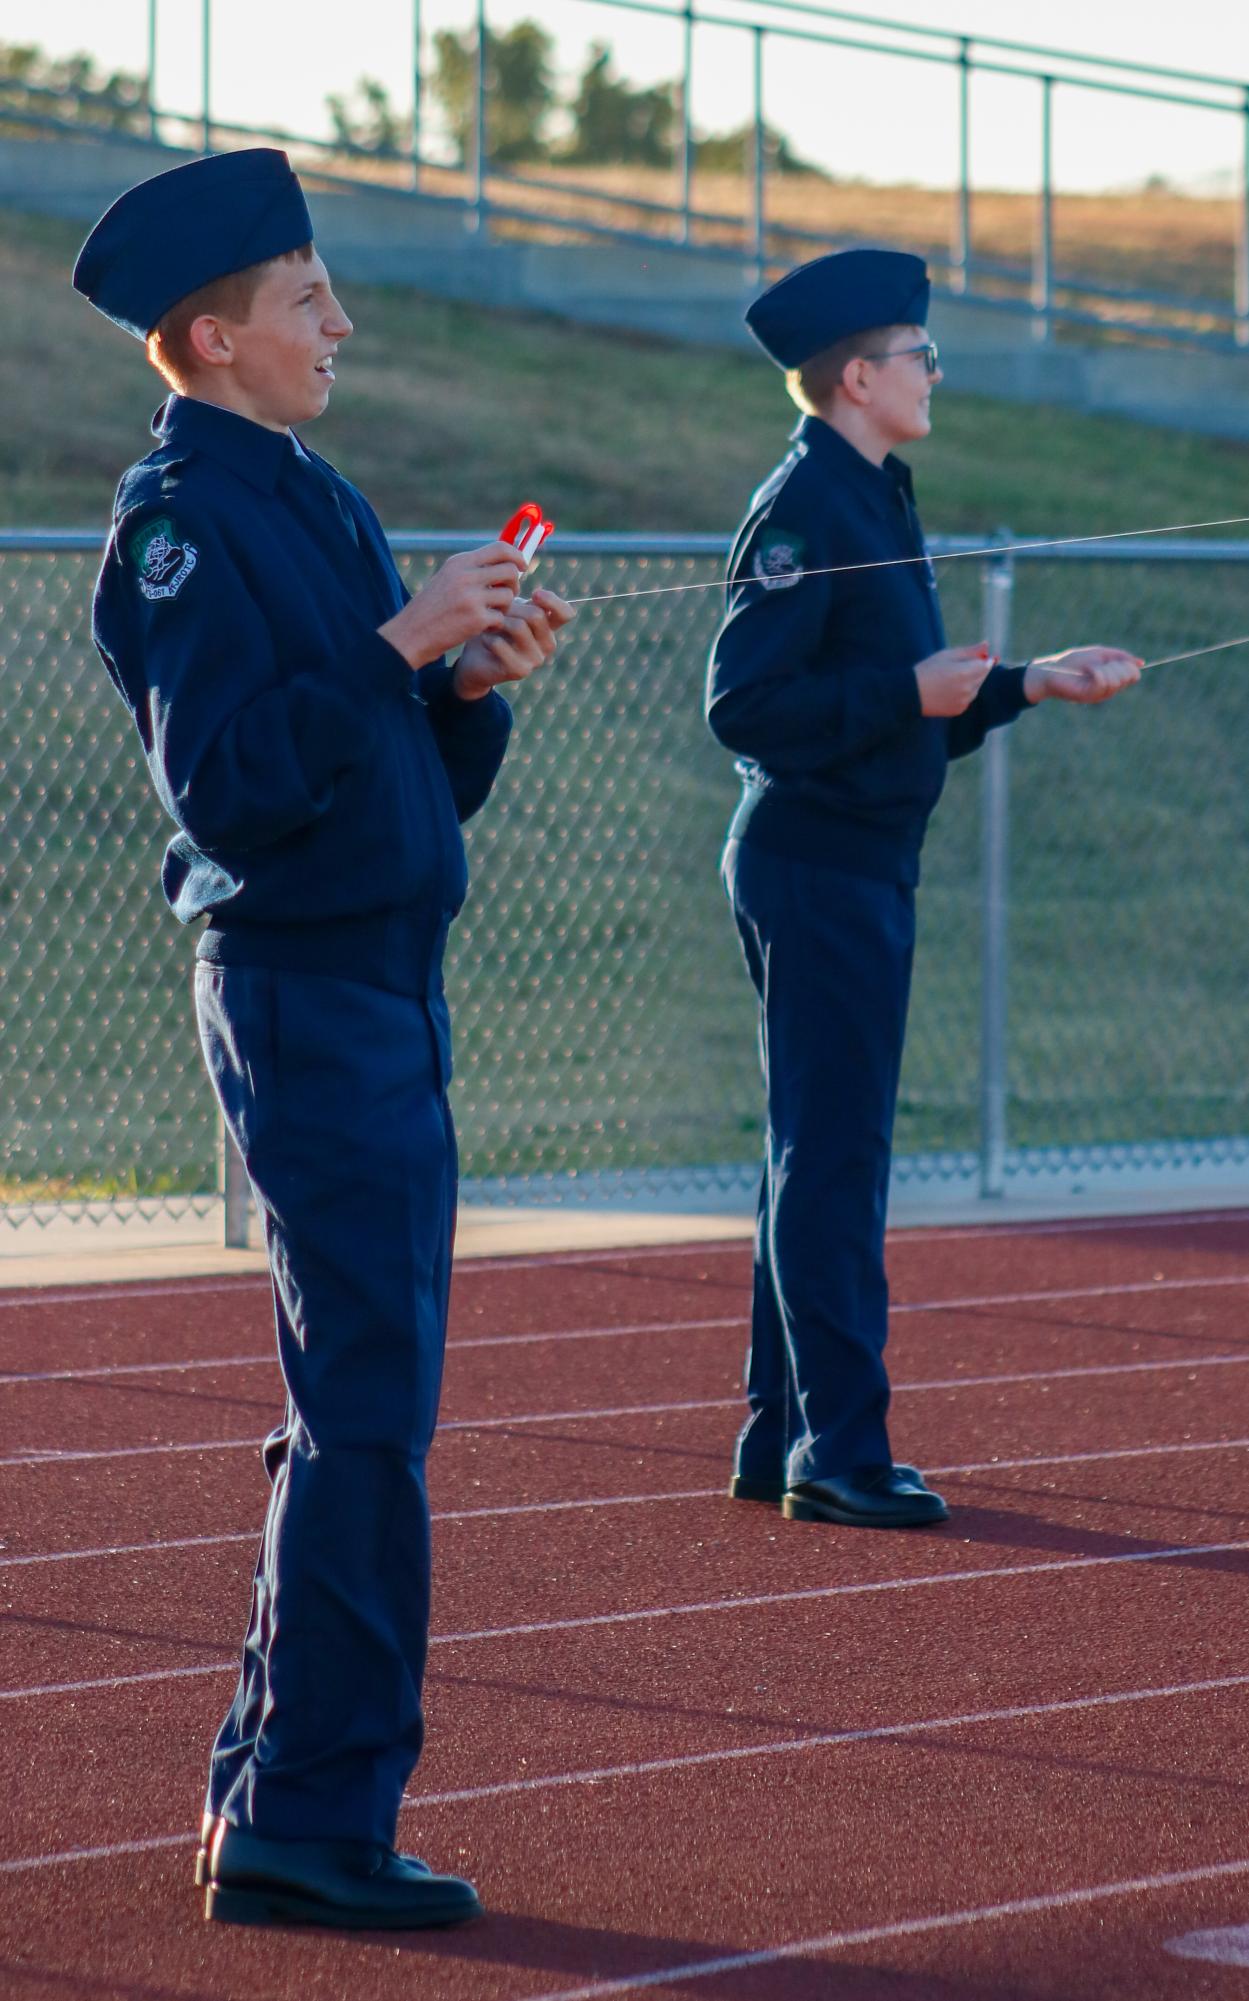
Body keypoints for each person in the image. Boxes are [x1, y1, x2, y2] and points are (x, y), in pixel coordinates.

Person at [73, 147, 573, 1930]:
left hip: (376, 983)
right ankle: (308, 1818)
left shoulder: (314, 494)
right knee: (363, 1414)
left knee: (352, 1408)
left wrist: (460, 683)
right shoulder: (181, 522)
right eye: (307, 301)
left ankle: (280, 1790)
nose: (338, 324)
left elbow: (382, 770)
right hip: (302, 991)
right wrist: (392, 646)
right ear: (213, 340)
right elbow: (228, 784)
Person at [706, 247, 1140, 1532]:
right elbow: (746, 708)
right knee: (833, 1161)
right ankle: (836, 1453)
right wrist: (908, 691)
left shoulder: (874, 493)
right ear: (855, 377)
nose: (933, 372)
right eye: (918, 355)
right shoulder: (805, 508)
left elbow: (911, 707)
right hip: (814, 865)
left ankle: (780, 1432)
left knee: (815, 1157)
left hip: (856, 863)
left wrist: (1026, 683)